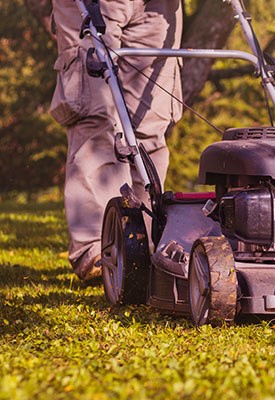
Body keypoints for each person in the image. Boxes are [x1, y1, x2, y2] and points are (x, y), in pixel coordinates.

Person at [49, 0, 183, 281]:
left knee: (150, 125)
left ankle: (142, 246)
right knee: (95, 115)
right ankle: (99, 249)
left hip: (160, 7)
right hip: (92, 4)